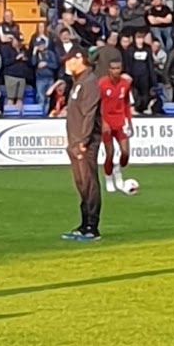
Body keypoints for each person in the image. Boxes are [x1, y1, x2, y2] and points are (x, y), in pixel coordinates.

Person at [62, 47, 102, 242]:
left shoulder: (89, 82)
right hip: (75, 142)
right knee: (81, 184)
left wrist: (83, 142)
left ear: (79, 59)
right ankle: (84, 223)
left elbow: (89, 114)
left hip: (84, 143)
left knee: (89, 182)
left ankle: (92, 227)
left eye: (69, 60)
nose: (67, 65)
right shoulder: (78, 82)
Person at [98, 60, 132, 193]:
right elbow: (97, 105)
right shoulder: (102, 84)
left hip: (120, 122)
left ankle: (117, 169)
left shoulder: (125, 84)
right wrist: (102, 122)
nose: (116, 71)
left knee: (125, 153)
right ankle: (108, 178)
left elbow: (127, 104)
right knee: (109, 153)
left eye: (118, 68)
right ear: (109, 70)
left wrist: (129, 121)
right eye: (114, 68)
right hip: (106, 122)